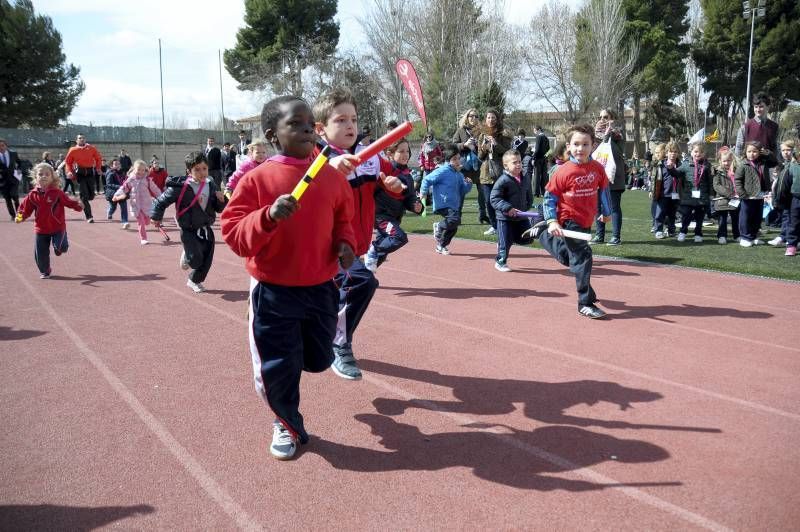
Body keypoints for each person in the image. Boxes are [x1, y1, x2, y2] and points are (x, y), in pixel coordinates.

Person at [221, 95, 356, 460]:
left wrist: (345, 243)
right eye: (295, 124)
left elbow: (344, 216)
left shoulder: (329, 176)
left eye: (310, 123)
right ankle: (287, 422)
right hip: (274, 291)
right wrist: (267, 216)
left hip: (321, 287)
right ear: (272, 134)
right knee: (279, 366)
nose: (307, 130)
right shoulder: (257, 179)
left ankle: (297, 360)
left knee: (317, 358)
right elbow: (233, 232)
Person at [312, 88, 405, 380]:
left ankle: (324, 334)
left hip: (358, 244)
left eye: (353, 119)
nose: (350, 125)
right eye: (340, 120)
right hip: (326, 244)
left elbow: (396, 178)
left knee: (336, 295)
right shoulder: (312, 156)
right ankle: (339, 343)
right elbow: (299, 190)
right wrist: (327, 170)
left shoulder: (371, 157)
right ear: (321, 129)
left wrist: (396, 186)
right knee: (362, 282)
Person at [526, 124, 611, 319]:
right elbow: (549, 198)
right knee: (583, 258)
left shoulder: (597, 168)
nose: (580, 148)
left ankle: (542, 234)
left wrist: (606, 212)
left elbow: (603, 189)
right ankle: (585, 303)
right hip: (568, 219)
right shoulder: (563, 171)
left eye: (585, 144)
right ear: (569, 146)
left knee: (568, 258)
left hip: (586, 220)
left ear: (593, 146)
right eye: (576, 144)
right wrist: (552, 220)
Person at [151, 152, 226, 291]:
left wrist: (221, 200)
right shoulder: (180, 187)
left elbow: (218, 208)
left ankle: (194, 280)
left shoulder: (211, 185)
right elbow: (160, 201)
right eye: (197, 169)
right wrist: (156, 216)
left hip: (206, 228)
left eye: (204, 168)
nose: (202, 172)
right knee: (196, 260)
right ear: (189, 171)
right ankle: (187, 254)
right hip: (188, 229)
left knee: (207, 261)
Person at [15, 162, 83, 278]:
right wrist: (20, 216)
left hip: (57, 227)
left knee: (61, 247)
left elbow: (69, 202)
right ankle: (45, 271)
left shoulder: (57, 193)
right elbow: (25, 209)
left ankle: (60, 247)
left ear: (52, 177)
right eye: (40, 174)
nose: (44, 176)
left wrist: (78, 205)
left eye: (47, 174)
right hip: (41, 229)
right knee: (40, 253)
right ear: (35, 177)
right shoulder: (32, 195)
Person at [365, 138, 423, 272]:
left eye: (407, 151)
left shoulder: (408, 174)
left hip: (394, 217)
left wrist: (415, 205)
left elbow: (410, 196)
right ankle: (373, 249)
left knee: (381, 255)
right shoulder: (385, 170)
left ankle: (363, 277)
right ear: (390, 153)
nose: (405, 154)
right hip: (382, 216)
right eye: (401, 151)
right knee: (399, 237)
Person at [420, 143, 473, 255]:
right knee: (455, 219)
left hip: (454, 205)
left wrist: (468, 184)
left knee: (454, 226)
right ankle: (439, 226)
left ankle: (441, 245)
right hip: (442, 203)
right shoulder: (442, 171)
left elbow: (463, 191)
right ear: (449, 160)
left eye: (459, 158)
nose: (458, 161)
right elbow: (426, 180)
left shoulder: (459, 174)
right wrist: (423, 192)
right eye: (454, 159)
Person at [490, 149, 536, 272]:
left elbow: (528, 194)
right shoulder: (503, 180)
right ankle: (501, 261)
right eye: (514, 162)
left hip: (521, 216)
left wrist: (527, 205)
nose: (518, 165)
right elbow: (494, 198)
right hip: (505, 217)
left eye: (520, 161)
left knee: (528, 238)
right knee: (505, 243)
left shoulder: (525, 177)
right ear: (506, 166)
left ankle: (509, 239)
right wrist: (508, 208)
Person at [591, 108, 626, 246]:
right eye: (600, 117)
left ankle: (616, 237)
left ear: (613, 118)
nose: (602, 120)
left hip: (613, 176)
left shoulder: (618, 134)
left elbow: (615, 151)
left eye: (606, 117)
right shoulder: (596, 135)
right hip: (599, 175)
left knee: (614, 207)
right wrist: (594, 133)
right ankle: (600, 235)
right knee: (598, 206)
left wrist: (608, 132)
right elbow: (593, 151)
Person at [735, 140, 777, 247]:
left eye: (755, 151)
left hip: (761, 194)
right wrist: (742, 194)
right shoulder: (743, 165)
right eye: (749, 151)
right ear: (745, 152)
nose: (751, 154)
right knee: (746, 217)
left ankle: (753, 236)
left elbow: (774, 162)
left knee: (757, 217)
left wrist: (767, 153)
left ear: (759, 152)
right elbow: (738, 180)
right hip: (748, 196)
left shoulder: (763, 162)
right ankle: (745, 237)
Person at [477, 108, 512, 236]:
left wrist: (495, 144)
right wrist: (485, 147)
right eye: (488, 117)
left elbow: (508, 152)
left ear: (497, 120)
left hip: (500, 172)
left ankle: (505, 224)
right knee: (488, 201)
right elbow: (480, 156)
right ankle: (494, 226)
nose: (490, 120)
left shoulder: (503, 134)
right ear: (485, 120)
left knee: (501, 200)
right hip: (486, 173)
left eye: (493, 117)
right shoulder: (482, 135)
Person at [113, 160, 162, 245]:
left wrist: (161, 197)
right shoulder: (130, 180)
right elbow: (123, 188)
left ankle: (148, 220)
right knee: (141, 222)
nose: (141, 172)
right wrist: (117, 195)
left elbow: (155, 189)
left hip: (146, 204)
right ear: (134, 169)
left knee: (147, 221)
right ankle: (143, 238)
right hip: (136, 205)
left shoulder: (147, 180)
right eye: (139, 169)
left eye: (143, 170)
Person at [452, 108, 487, 224]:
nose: (474, 118)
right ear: (467, 117)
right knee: (461, 192)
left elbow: (486, 147)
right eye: (471, 116)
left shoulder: (482, 131)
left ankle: (482, 215)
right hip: (465, 167)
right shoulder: (461, 130)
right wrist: (465, 145)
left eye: (476, 116)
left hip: (479, 165)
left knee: (482, 191)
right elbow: (453, 145)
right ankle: (458, 216)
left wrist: (478, 146)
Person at [672, 142, 712, 243]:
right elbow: (676, 173)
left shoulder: (707, 166)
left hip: (702, 197)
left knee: (700, 217)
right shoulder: (685, 165)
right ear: (691, 152)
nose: (698, 154)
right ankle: (683, 231)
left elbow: (710, 181)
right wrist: (670, 168)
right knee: (686, 215)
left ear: (704, 153)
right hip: (688, 197)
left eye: (701, 152)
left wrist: (711, 194)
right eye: (696, 151)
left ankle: (698, 233)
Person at [64, 133, 103, 222]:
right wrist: (69, 171)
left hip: (90, 173)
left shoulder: (91, 148)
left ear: (85, 140)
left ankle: (84, 199)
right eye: (79, 138)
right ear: (76, 140)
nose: (82, 139)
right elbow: (68, 162)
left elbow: (98, 158)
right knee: (84, 196)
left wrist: (98, 168)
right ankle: (89, 217)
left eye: (83, 138)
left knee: (91, 196)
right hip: (80, 174)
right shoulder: (73, 150)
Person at [768, 140, 798, 247]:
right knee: (786, 216)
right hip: (785, 197)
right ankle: (783, 236)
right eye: (783, 150)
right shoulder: (783, 165)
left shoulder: (795, 164)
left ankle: (790, 238)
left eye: (788, 150)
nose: (785, 152)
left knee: (793, 219)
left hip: (794, 196)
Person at [735, 93, 779, 160]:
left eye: (761, 107)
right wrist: (739, 163)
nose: (758, 110)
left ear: (768, 107)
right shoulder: (745, 126)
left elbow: (775, 148)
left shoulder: (774, 127)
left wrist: (769, 154)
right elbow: (739, 148)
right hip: (750, 166)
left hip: (768, 166)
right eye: (756, 107)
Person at [650, 142, 680, 239]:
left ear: (678, 153)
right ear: (666, 153)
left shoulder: (680, 164)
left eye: (675, 152)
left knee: (672, 214)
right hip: (663, 194)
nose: (673, 154)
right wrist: (652, 191)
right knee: (660, 213)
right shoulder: (661, 164)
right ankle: (658, 230)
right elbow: (654, 178)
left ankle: (671, 230)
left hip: (675, 194)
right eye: (670, 151)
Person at [711, 147, 740, 245]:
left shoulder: (737, 171)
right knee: (722, 220)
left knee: (736, 219)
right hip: (722, 200)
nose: (726, 163)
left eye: (729, 160)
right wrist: (729, 194)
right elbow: (716, 185)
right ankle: (722, 236)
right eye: (724, 161)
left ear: (732, 160)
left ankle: (737, 235)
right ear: (720, 161)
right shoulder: (717, 172)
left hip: (735, 200)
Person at [418, 131, 442, 205]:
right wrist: (421, 165)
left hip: (434, 167)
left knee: (434, 184)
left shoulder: (436, 144)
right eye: (427, 137)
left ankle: (434, 199)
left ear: (432, 137)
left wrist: (438, 162)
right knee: (425, 183)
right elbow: (421, 156)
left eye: (430, 136)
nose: (428, 138)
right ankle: (426, 200)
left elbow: (440, 155)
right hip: (426, 167)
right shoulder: (423, 145)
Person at [0, 138, 22, 220]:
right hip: (2, 181)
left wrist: (19, 174)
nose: (1, 147)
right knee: (7, 199)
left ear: (6, 146)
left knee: (15, 196)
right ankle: (13, 215)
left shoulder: (13, 154)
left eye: (2, 145)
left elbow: (19, 163)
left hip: (13, 179)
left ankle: (19, 214)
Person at [104, 159, 129, 229]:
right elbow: (109, 184)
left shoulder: (122, 173)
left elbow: (125, 181)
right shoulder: (110, 173)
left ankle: (125, 222)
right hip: (112, 193)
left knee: (124, 207)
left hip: (121, 193)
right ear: (112, 166)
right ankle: (109, 212)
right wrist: (119, 187)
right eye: (115, 164)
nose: (117, 165)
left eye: (118, 164)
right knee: (113, 207)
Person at [531, 125, 550, 197]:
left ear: (538, 130)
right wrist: (545, 155)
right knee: (544, 176)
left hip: (538, 159)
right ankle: (543, 192)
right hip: (544, 159)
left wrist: (533, 158)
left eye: (535, 130)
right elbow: (549, 149)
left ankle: (536, 193)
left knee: (537, 176)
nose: (534, 132)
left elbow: (537, 149)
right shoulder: (546, 138)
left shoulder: (539, 137)